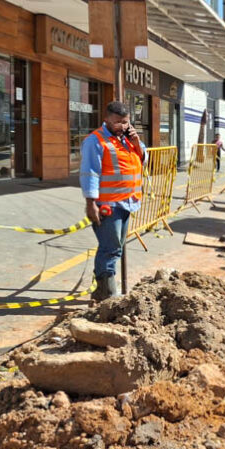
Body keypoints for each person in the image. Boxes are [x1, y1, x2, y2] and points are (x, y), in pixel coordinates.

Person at [80, 101, 146, 301]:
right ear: (107, 119)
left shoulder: (127, 140)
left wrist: (136, 143)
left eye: (125, 122)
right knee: (111, 248)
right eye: (117, 122)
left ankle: (103, 290)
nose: (122, 126)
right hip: (107, 205)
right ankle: (107, 294)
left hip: (127, 202)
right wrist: (91, 203)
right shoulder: (95, 141)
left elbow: (142, 159)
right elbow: (89, 172)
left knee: (115, 248)